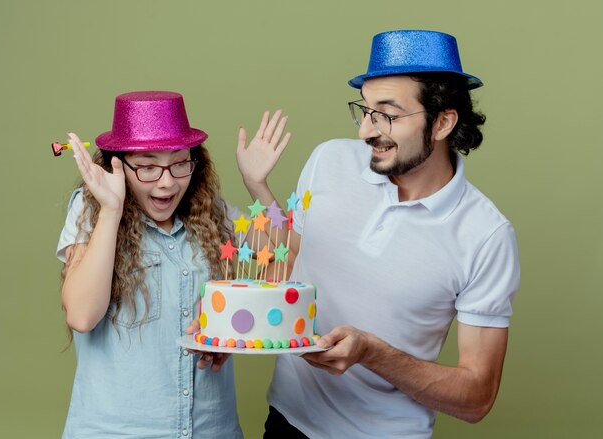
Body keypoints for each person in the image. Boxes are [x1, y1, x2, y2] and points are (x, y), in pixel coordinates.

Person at [236, 30, 521, 438]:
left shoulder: (486, 235)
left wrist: (372, 353)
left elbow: (477, 398)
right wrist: (258, 189)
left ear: (443, 121)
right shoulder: (329, 159)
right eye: (364, 110)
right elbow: (296, 259)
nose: (366, 132)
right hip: (287, 420)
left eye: (387, 114)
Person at [56, 91, 243, 438]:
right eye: (147, 166)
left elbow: (281, 270)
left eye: (179, 163)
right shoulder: (89, 209)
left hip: (211, 428)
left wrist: (256, 183)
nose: (167, 181)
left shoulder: (214, 214)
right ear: (118, 165)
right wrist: (111, 209)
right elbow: (81, 315)